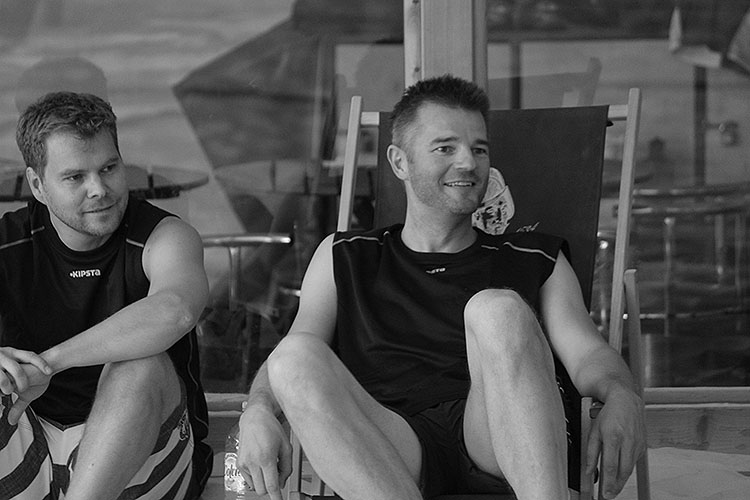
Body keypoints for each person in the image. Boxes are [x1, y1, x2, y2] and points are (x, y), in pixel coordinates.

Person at [236, 75, 646, 500]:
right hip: (391, 442)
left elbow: (588, 354)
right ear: (400, 162)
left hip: (496, 438)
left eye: (479, 149)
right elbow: (294, 355)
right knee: (292, 356)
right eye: (445, 148)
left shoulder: (533, 256)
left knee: (497, 309)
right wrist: (258, 410)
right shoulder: (346, 256)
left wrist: (622, 393)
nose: (468, 162)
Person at [0, 91, 212, 499]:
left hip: (141, 456)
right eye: (75, 177)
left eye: (109, 168)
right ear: (37, 185)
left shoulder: (165, 236)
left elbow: (176, 311)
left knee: (141, 363)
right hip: (29, 442)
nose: (99, 189)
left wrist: (49, 364)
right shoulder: (8, 243)